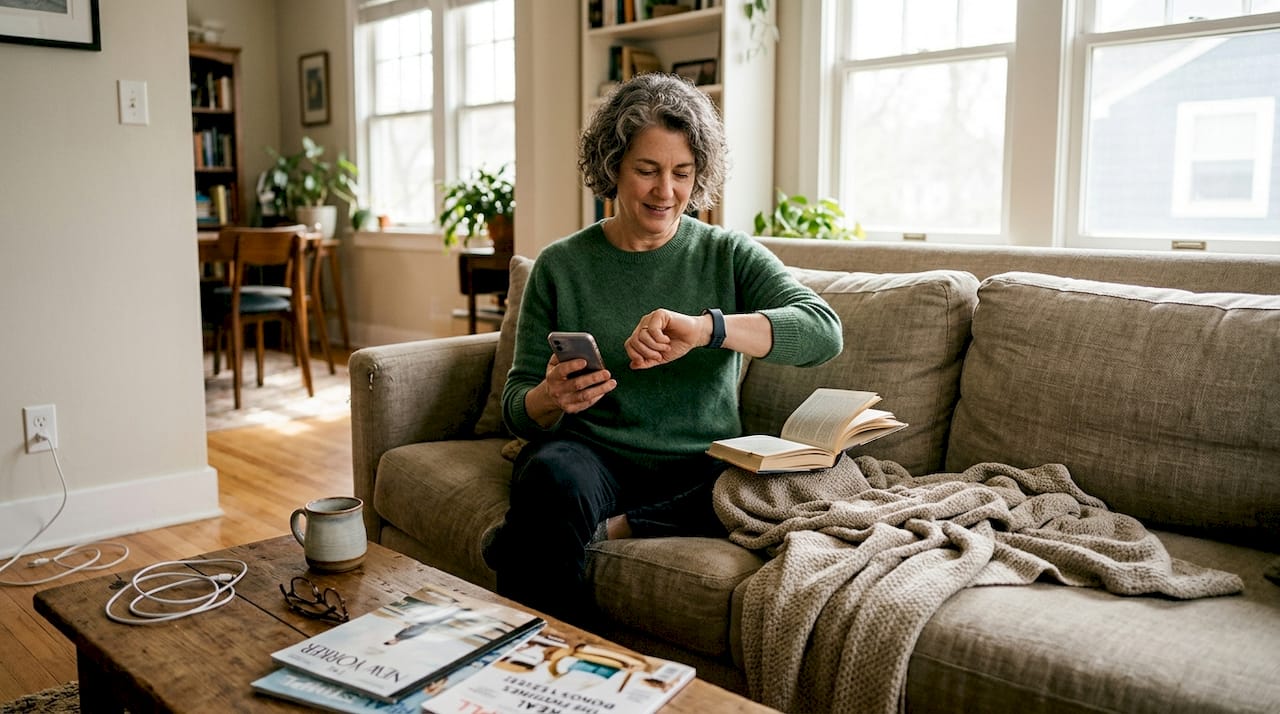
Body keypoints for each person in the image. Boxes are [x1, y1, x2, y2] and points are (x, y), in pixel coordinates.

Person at [484, 72, 843, 626]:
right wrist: (549, 397)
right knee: (549, 476)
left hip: (702, 466)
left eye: (682, 173)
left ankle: (608, 529)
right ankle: (548, 657)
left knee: (807, 476)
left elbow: (823, 330)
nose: (665, 192)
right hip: (593, 457)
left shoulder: (727, 254)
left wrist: (705, 329)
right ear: (613, 167)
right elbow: (517, 408)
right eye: (647, 170)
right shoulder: (561, 265)